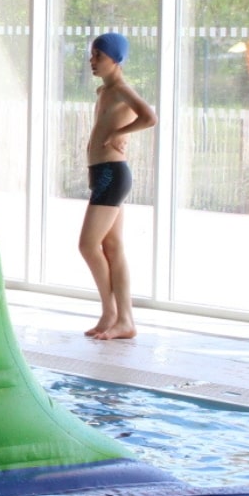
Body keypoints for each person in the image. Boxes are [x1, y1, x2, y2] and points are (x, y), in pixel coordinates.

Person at [80, 32, 157, 341]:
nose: (92, 61)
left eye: (98, 55)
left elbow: (150, 117)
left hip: (113, 173)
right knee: (111, 247)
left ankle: (112, 312)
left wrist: (119, 134)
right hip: (103, 172)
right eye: (92, 55)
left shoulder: (122, 90)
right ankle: (123, 319)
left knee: (88, 245)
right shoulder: (104, 91)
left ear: (116, 59)